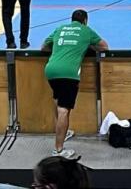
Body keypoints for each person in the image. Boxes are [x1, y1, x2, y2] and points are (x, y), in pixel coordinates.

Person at [42, 9, 108, 159]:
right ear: (85, 21)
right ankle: (58, 150)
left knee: (58, 102)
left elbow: (44, 47)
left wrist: (61, 49)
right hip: (69, 73)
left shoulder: (60, 28)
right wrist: (87, 46)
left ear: (71, 20)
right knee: (64, 110)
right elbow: (104, 47)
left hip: (51, 70)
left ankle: (63, 132)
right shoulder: (86, 31)